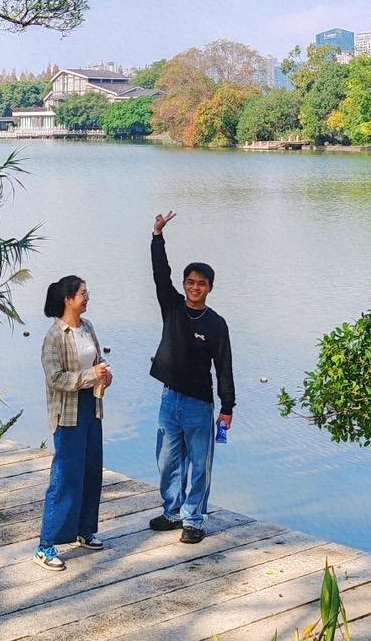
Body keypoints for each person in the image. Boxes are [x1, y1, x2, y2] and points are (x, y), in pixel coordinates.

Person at [147, 210, 235, 544]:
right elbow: (160, 274)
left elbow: (224, 367)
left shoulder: (216, 324)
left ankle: (194, 520)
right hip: (170, 399)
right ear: (184, 285)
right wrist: (157, 236)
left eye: (201, 284)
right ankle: (172, 512)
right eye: (190, 282)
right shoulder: (171, 306)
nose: (194, 287)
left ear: (209, 288)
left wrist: (227, 407)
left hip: (199, 403)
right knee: (168, 461)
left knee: (200, 465)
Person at [34, 275, 112, 572]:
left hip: (92, 407)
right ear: (68, 298)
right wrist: (90, 377)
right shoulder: (54, 336)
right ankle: (45, 544)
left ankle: (84, 530)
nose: (87, 296)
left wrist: (103, 375)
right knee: (65, 476)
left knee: (91, 470)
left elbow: (96, 361)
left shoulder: (88, 327)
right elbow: (55, 380)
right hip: (67, 411)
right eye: (82, 293)